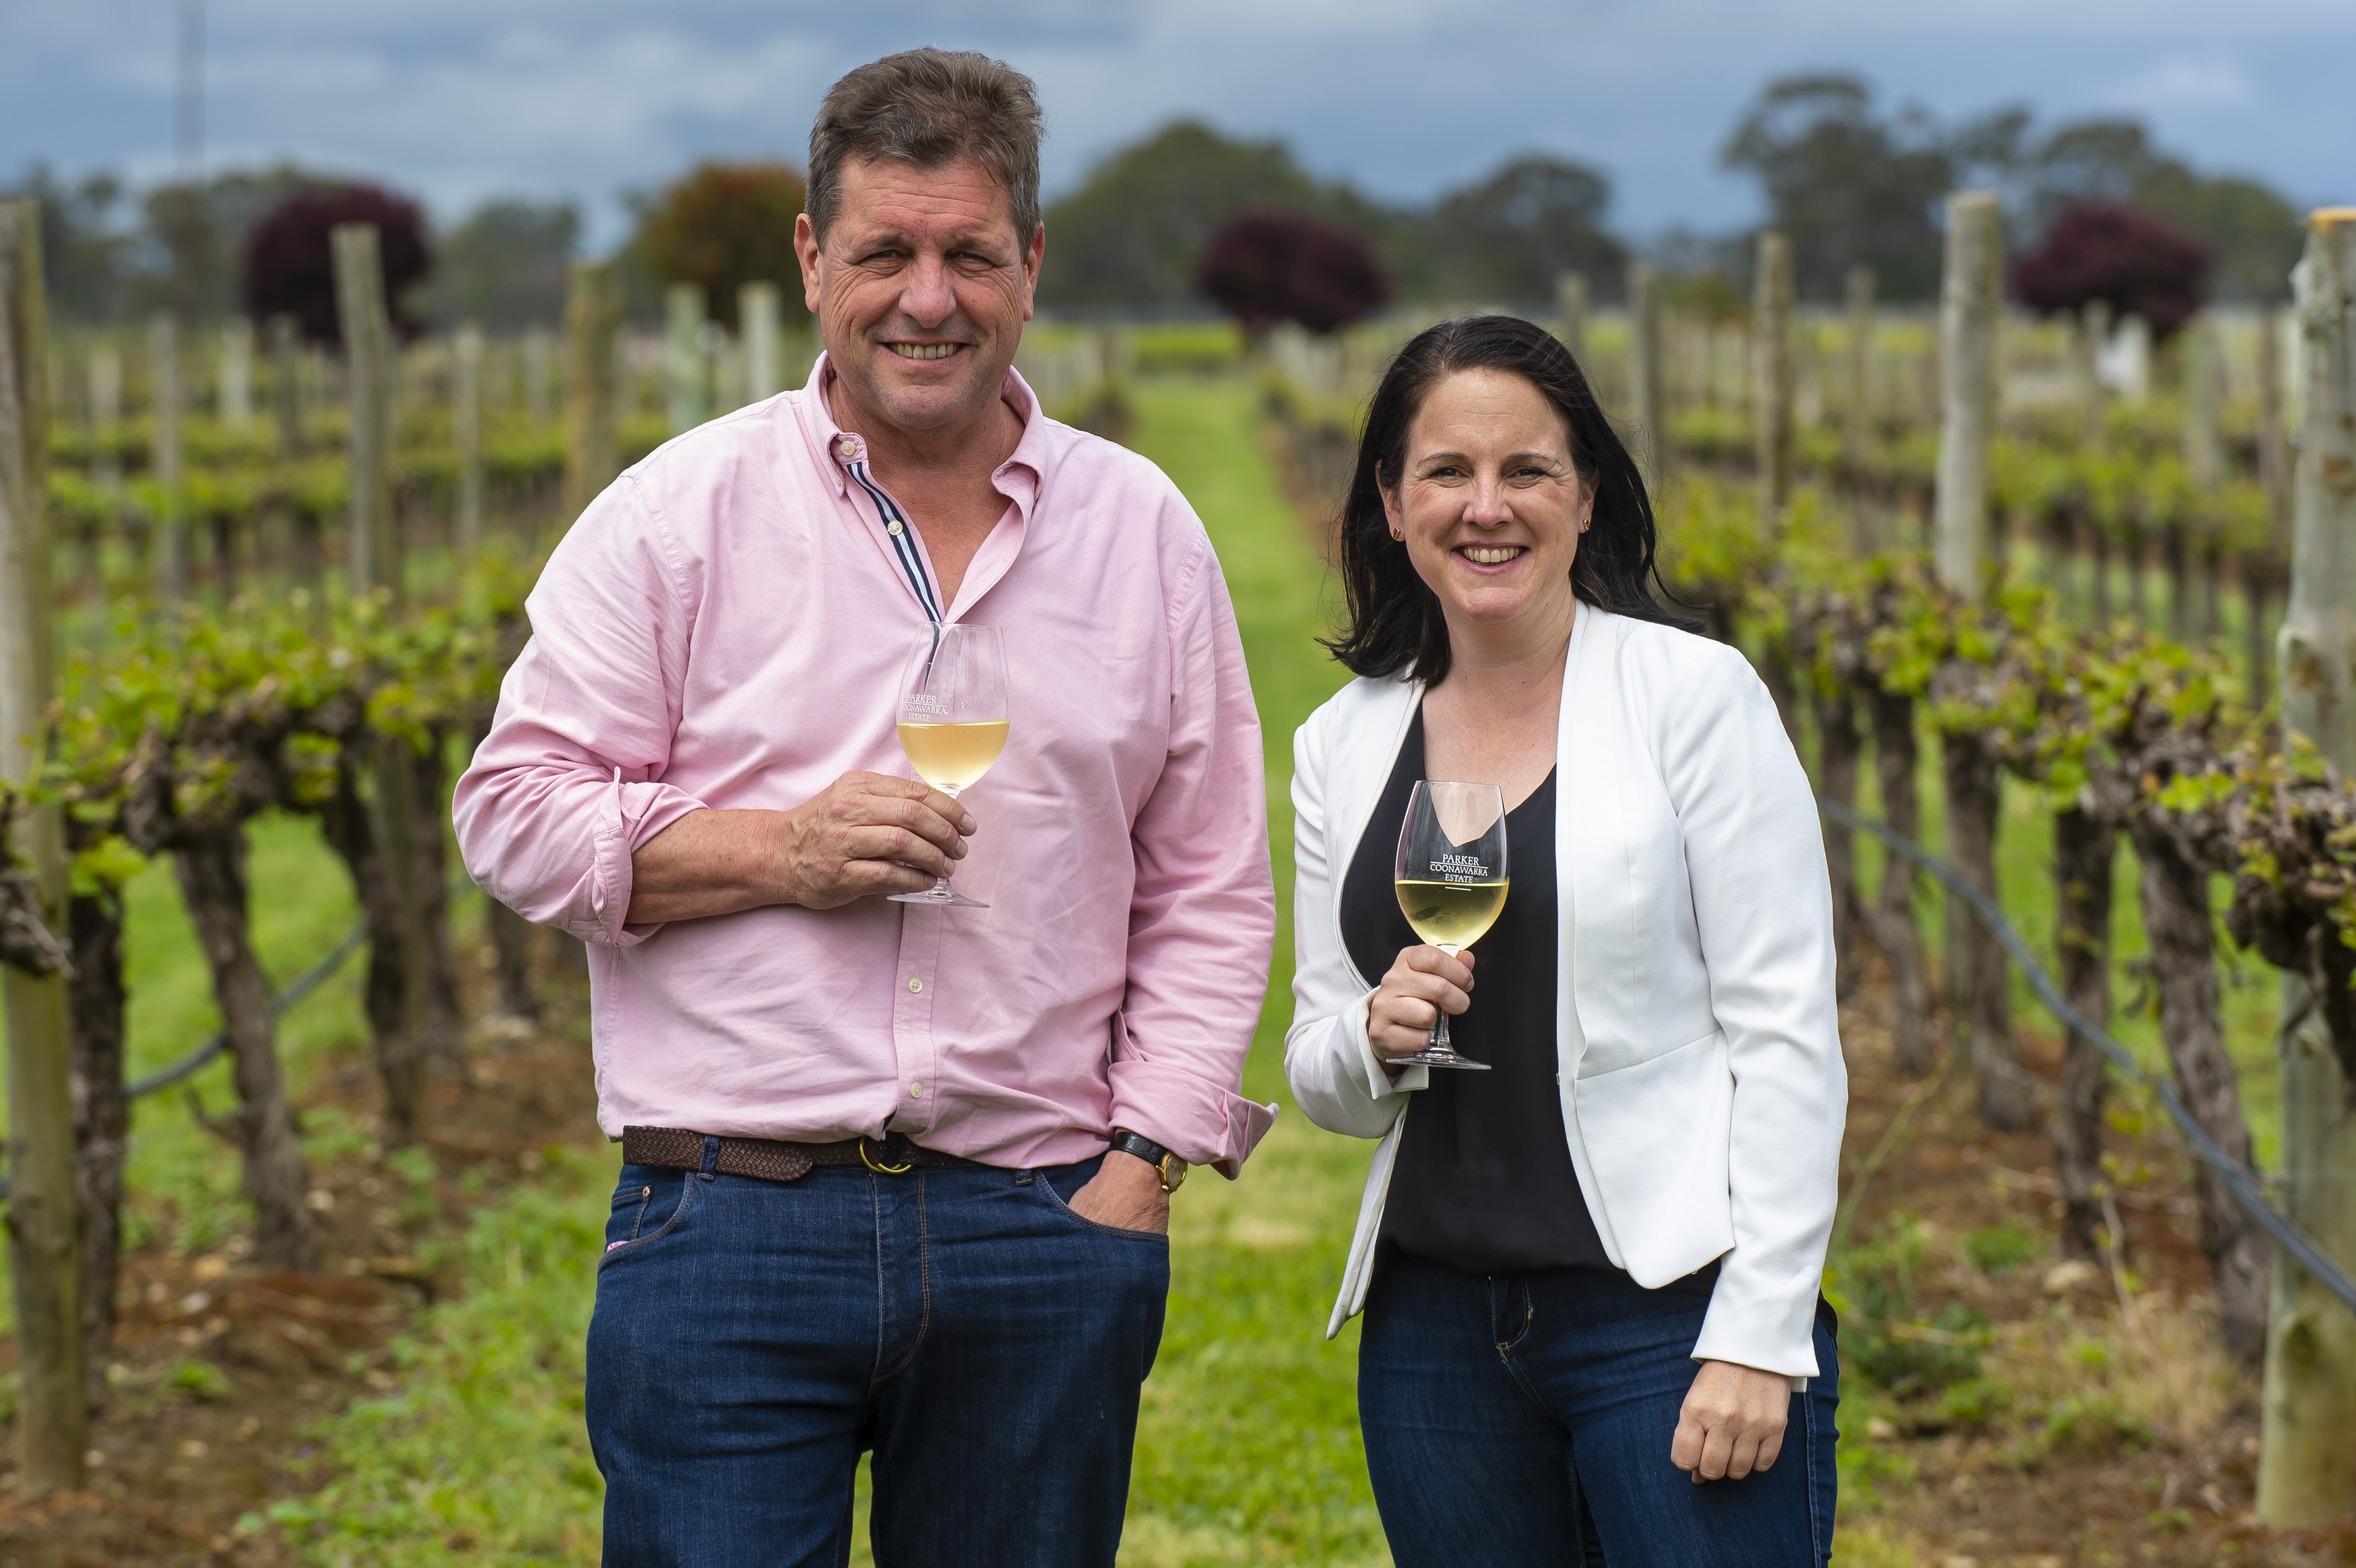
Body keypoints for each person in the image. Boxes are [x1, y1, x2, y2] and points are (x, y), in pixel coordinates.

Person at [452, 48, 1276, 1568]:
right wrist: (780, 846)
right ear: (812, 258)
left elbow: (1210, 876)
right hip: (731, 1229)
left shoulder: (1141, 529)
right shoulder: (675, 515)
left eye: (970, 253)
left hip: (1043, 1227)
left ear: (1031, 265)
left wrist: (1141, 1165)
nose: (928, 296)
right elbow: (511, 809)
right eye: (886, 251)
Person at [1283, 315, 1845, 1566]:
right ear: (1388, 501)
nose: (1487, 508)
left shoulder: (1692, 697)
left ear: (1585, 495)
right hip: (1432, 1334)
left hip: (1665, 1315)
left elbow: (1787, 1030)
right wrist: (1372, 1038)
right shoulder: (1341, 739)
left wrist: (1761, 1329)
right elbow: (1318, 1068)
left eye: (1526, 470)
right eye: (1446, 471)